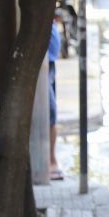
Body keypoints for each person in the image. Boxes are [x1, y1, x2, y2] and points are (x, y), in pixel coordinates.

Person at [48, 16, 63, 180]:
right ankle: (50, 161)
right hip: (43, 67)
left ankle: (51, 160)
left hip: (49, 66)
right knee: (50, 113)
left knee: (51, 114)